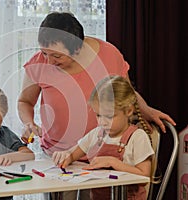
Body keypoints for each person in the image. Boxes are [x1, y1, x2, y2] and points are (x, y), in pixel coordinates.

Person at [18, 11, 175, 155]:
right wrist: (29, 124)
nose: (49, 61)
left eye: (57, 56)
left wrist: (145, 110)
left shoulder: (108, 55)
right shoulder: (38, 63)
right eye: (45, 53)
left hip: (104, 153)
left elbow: (126, 93)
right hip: (56, 155)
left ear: (77, 48)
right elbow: (25, 101)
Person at [52, 75, 154, 200]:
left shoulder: (137, 137)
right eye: (99, 115)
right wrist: (65, 156)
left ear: (128, 111)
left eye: (109, 116)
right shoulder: (98, 134)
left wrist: (112, 162)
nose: (103, 122)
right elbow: (73, 154)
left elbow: (144, 176)